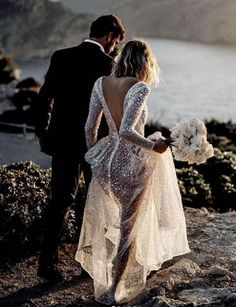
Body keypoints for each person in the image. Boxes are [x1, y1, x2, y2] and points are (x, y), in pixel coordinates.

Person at [75, 40, 190, 305]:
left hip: (104, 164)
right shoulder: (140, 87)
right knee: (129, 228)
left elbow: (89, 128)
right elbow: (128, 130)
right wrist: (155, 146)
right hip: (131, 164)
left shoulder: (100, 83)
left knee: (113, 221)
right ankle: (116, 288)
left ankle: (111, 277)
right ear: (145, 62)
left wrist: (95, 155)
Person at [35, 14, 125, 282]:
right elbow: (112, 113)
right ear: (110, 36)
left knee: (59, 201)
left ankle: (46, 265)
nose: (113, 46)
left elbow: (45, 97)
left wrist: (42, 132)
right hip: (95, 144)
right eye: (115, 41)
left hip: (62, 141)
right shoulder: (110, 64)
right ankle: (87, 264)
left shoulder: (60, 56)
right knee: (93, 203)